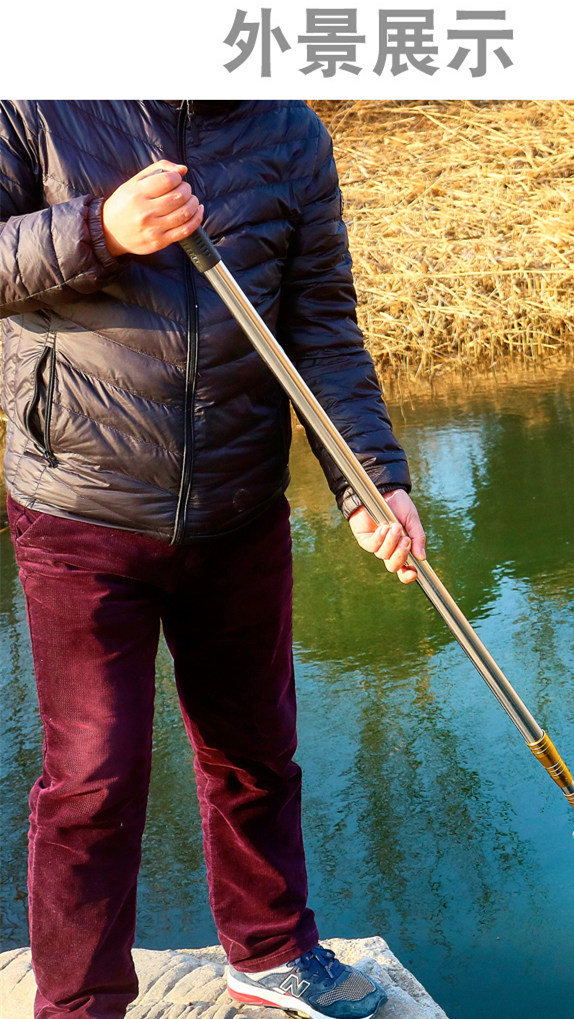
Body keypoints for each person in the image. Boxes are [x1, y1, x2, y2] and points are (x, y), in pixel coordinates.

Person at [0, 100, 426, 1019]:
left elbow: (321, 326)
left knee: (255, 751)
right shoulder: (36, 97)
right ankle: (78, 1003)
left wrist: (368, 481)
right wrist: (97, 229)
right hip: (81, 506)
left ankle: (272, 954)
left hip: (238, 505)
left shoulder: (290, 133)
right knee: (93, 779)